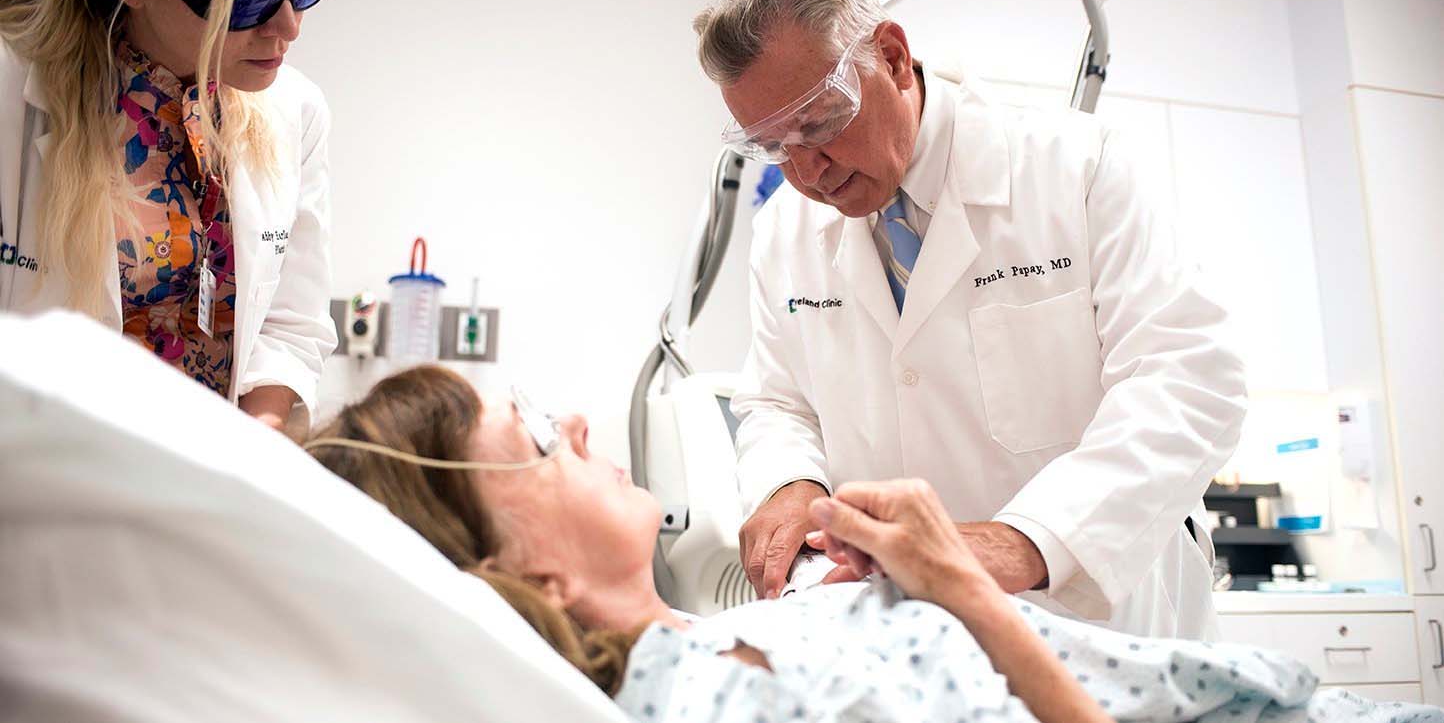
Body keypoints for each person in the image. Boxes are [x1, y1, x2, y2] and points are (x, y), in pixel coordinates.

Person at [305, 366, 1436, 723]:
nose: (581, 424)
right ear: (526, 575)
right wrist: (965, 591)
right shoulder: (715, 697)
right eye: (540, 441)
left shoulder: (722, 646)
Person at [690, 0, 1247, 638]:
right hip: (910, 640)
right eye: (774, 145)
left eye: (818, 121)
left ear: (891, 57)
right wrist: (788, 484)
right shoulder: (786, 230)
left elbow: (1189, 378)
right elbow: (778, 401)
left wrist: (1021, 542)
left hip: (1097, 620)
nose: (807, 170)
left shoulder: (1074, 167)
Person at [0, 0, 339, 430]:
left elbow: (290, 324)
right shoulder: (10, 97)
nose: (290, 27)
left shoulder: (297, 110)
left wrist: (259, 448)